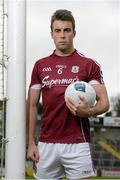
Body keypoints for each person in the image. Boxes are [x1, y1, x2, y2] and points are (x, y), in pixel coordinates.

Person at [27, 9, 109, 179]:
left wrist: (89, 112)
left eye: (67, 30)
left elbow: (104, 103)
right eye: (58, 31)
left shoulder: (89, 65)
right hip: (46, 144)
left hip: (78, 144)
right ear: (51, 34)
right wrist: (30, 143)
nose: (62, 35)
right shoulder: (40, 66)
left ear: (74, 33)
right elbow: (32, 105)